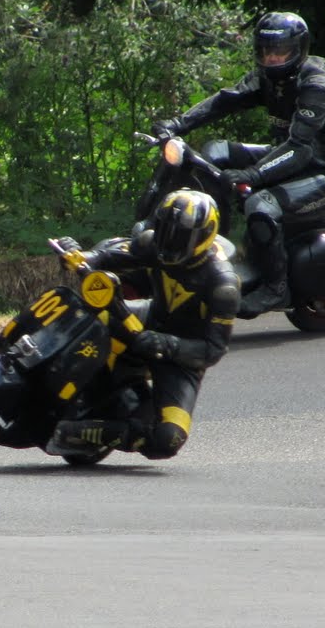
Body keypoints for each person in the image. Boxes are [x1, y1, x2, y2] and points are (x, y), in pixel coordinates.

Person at [151, 10, 325, 318]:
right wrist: (177, 124)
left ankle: (276, 288)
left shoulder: (316, 85)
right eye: (265, 51)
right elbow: (224, 100)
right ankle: (217, 247)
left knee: (261, 205)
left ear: (299, 49)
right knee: (214, 152)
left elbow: (300, 150)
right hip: (286, 155)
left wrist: (253, 175)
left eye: (280, 51)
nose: (272, 58)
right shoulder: (268, 78)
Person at [46, 189, 239, 461]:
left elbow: (214, 349)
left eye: (180, 236)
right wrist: (81, 256)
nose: (170, 242)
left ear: (204, 235)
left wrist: (168, 344)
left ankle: (89, 432)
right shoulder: (153, 244)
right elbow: (109, 256)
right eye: (165, 230)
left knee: (168, 439)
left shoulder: (223, 284)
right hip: (146, 318)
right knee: (85, 314)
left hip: (181, 359)